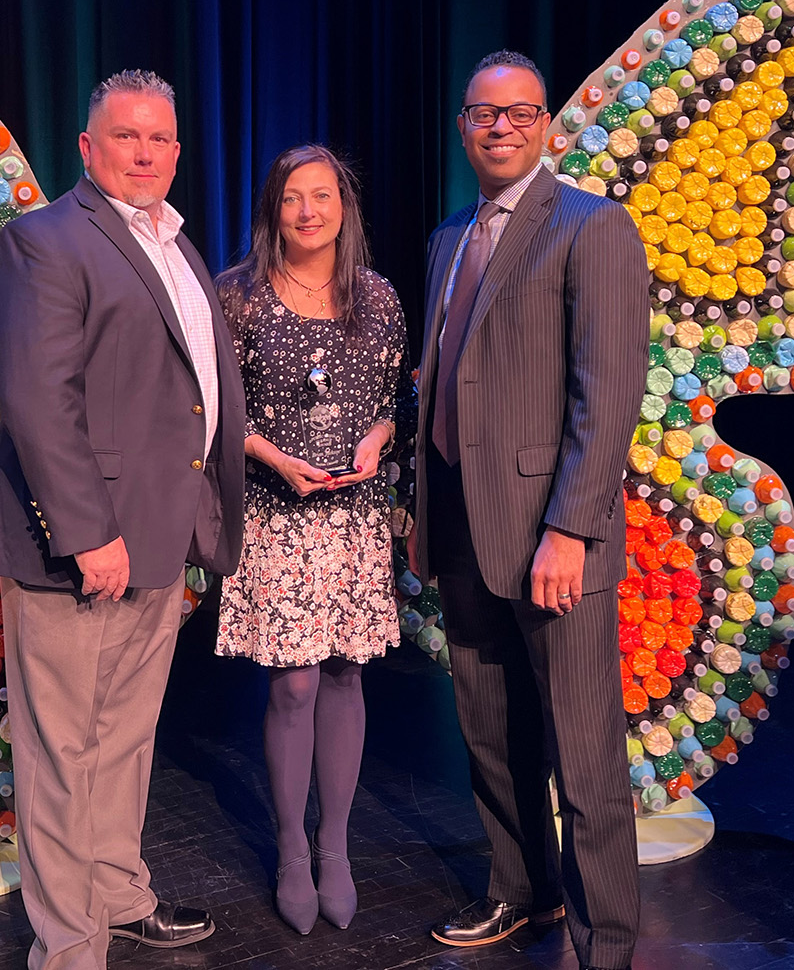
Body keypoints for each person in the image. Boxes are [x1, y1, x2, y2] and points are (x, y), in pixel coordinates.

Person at [0, 69, 246, 970]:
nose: (144, 151)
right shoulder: (46, 239)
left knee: (127, 740)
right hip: (83, 547)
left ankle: (119, 897)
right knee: (64, 752)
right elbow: (35, 396)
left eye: (159, 138)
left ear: (177, 151)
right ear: (88, 146)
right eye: (125, 136)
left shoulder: (176, 245)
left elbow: (190, 397)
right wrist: (88, 530)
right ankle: (69, 947)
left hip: (161, 540)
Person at [413, 51, 648, 970]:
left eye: (519, 112)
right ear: (463, 127)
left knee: (584, 756)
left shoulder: (591, 227)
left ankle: (608, 947)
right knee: (491, 733)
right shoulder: (447, 238)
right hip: (465, 531)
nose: (500, 126)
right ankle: (525, 895)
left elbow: (609, 393)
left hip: (555, 540)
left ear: (545, 123)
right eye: (483, 114)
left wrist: (570, 530)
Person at [214, 144, 408, 935]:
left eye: (321, 196)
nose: (307, 211)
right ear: (274, 207)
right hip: (277, 514)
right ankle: (292, 846)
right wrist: (271, 457)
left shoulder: (379, 297)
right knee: (292, 683)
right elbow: (218, 411)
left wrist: (379, 439)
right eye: (293, 197)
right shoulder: (239, 297)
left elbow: (399, 398)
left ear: (344, 206)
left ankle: (337, 846)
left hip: (354, 518)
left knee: (344, 676)